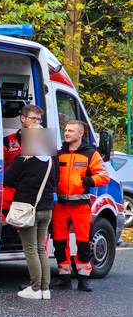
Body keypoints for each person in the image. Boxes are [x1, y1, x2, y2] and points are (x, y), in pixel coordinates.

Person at [51, 120, 109, 292]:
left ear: (80, 134)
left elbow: (103, 176)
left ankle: (84, 279)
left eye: (70, 131)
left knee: (83, 243)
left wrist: (86, 181)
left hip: (80, 205)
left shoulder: (91, 154)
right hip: (60, 204)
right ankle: (64, 278)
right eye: (66, 130)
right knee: (59, 243)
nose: (66, 133)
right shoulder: (58, 153)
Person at [4, 139, 59, 299]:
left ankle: (35, 289)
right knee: (41, 248)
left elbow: (6, 178)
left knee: (30, 249)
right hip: (46, 208)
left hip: (28, 208)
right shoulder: (49, 160)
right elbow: (54, 181)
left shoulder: (23, 159)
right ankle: (45, 289)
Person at [4, 105, 44, 169]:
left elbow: (52, 169)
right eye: (33, 119)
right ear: (22, 118)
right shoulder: (8, 140)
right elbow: (1, 168)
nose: (37, 122)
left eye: (39, 119)